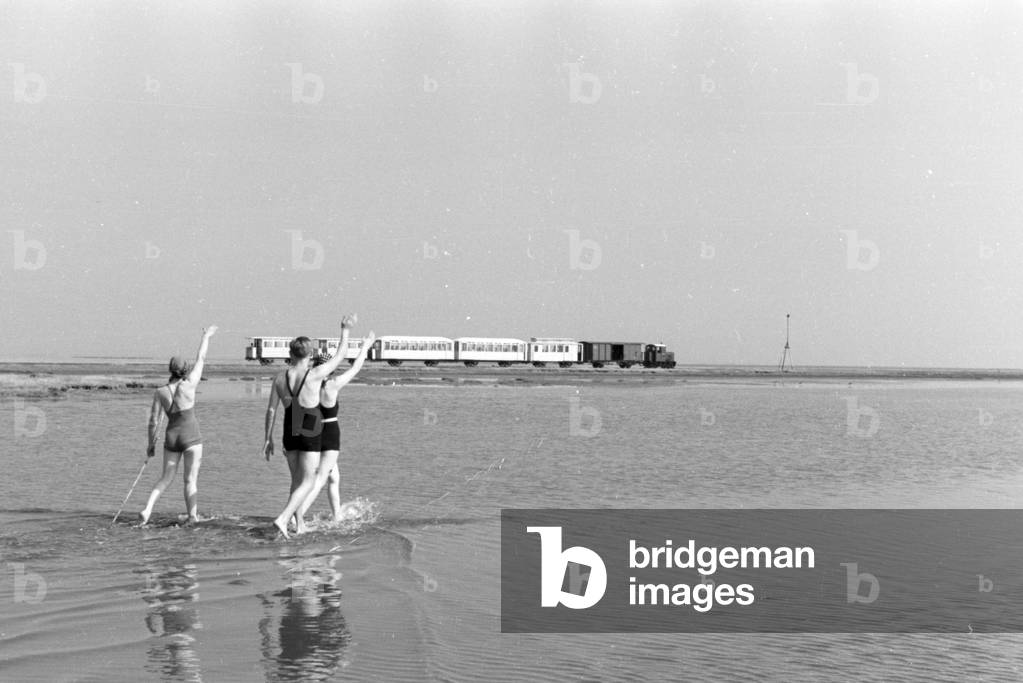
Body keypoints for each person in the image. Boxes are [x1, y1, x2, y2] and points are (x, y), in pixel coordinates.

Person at [263, 315, 357, 538]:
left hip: (289, 427)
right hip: (309, 426)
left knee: (296, 480)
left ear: (291, 354)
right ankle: (283, 519)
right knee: (310, 480)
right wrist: (345, 329)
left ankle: (300, 524)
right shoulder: (314, 374)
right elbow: (341, 356)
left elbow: (271, 410)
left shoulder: (279, 378)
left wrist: (267, 438)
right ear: (310, 354)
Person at [296, 331, 376, 525]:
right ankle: (297, 515)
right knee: (320, 478)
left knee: (334, 478)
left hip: (310, 430)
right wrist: (365, 347)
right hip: (330, 433)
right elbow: (355, 368)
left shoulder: (309, 383)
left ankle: (336, 516)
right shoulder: (332, 384)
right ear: (330, 368)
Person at [141, 326, 217, 525]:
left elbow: (153, 422)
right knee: (190, 480)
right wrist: (206, 336)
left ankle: (147, 509)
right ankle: (192, 517)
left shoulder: (160, 391)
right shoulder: (190, 383)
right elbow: (201, 358)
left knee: (166, 477)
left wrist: (150, 446)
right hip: (192, 437)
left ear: (170, 370)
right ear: (185, 370)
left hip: (172, 438)